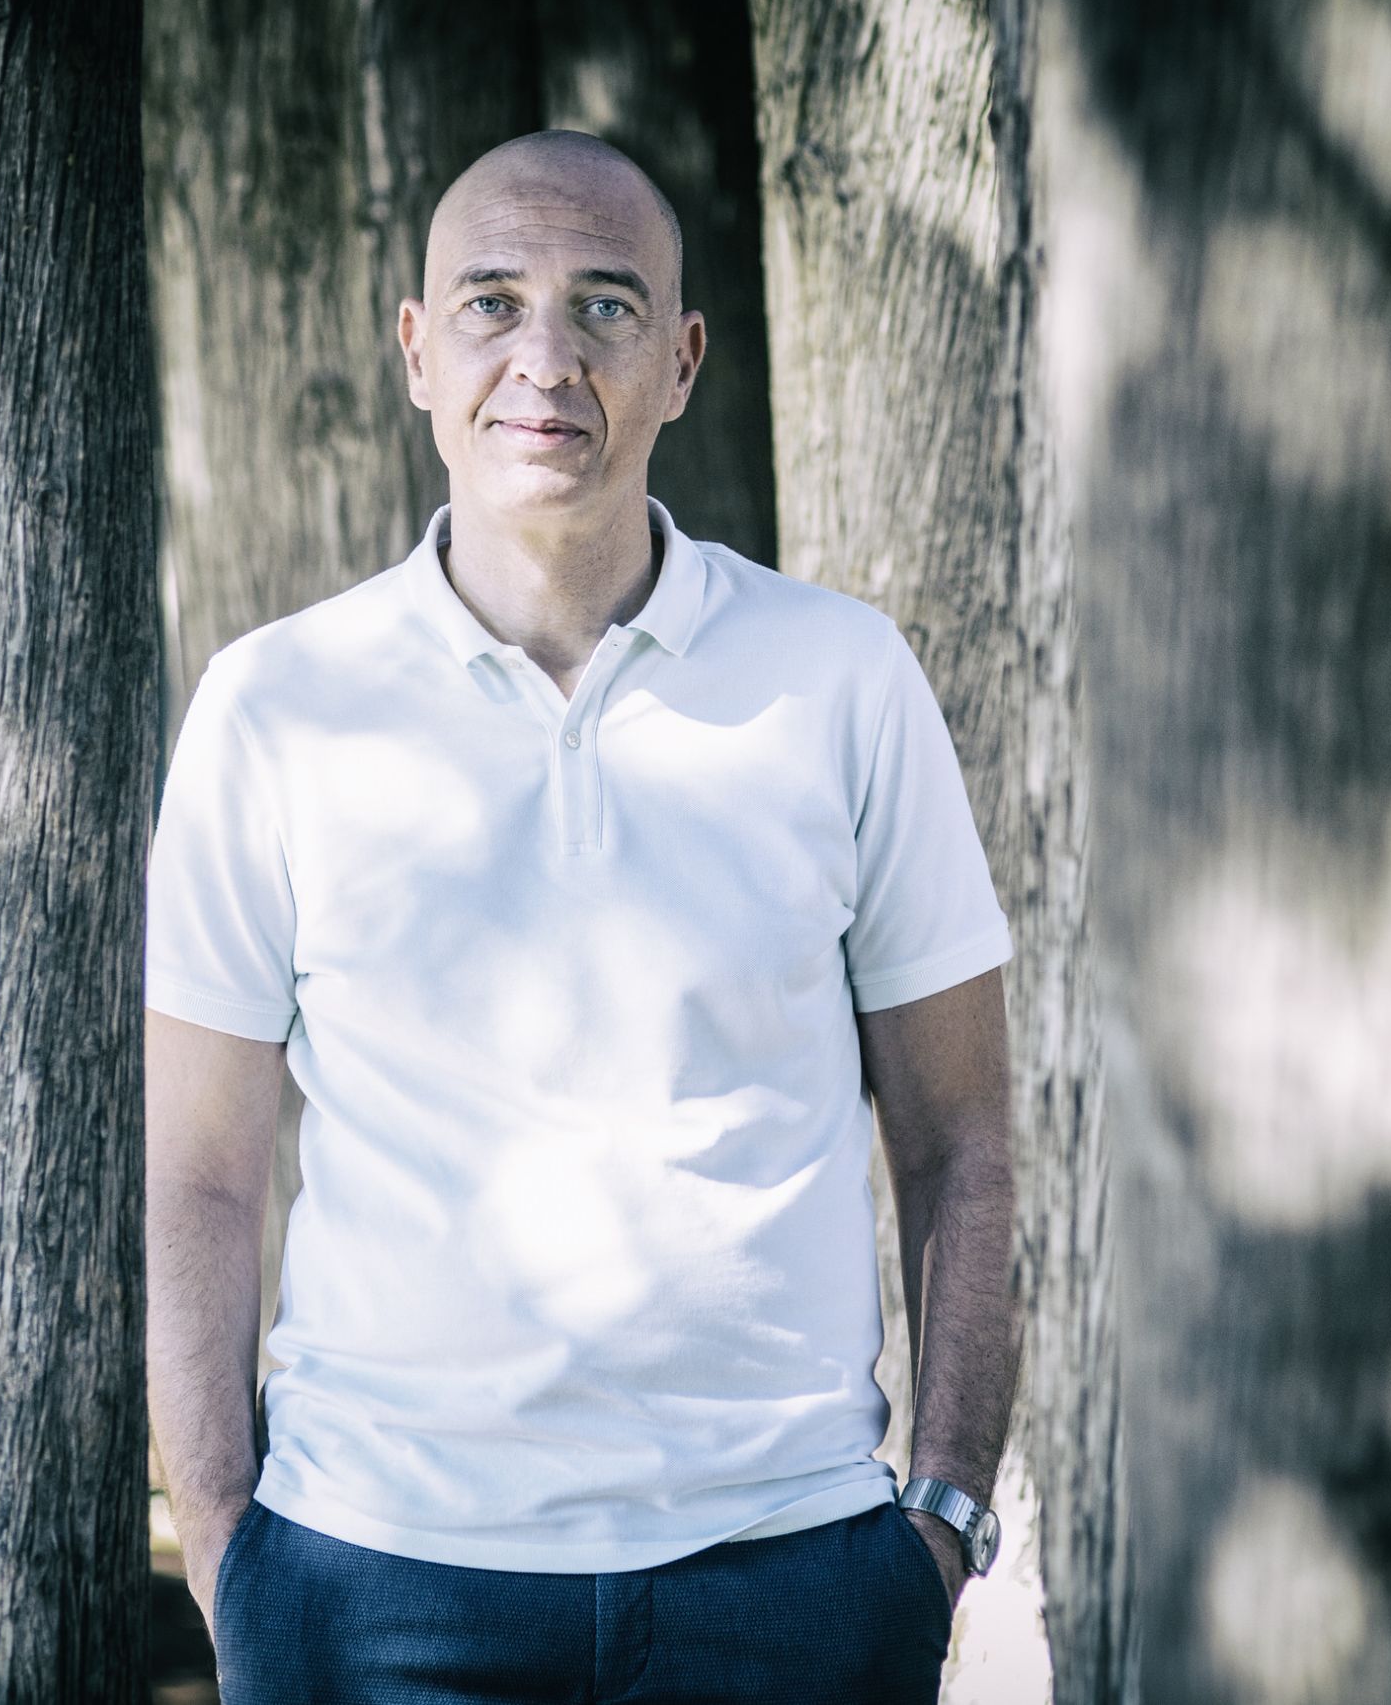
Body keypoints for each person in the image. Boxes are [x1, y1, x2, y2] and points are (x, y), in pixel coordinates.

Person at [145, 128, 1017, 1704]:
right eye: (492, 302)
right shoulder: (272, 706)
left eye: (606, 305)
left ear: (683, 361)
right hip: (373, 1589)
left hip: (792, 1585)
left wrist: (940, 1525)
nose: (545, 360)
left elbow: (961, 1136)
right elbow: (201, 1174)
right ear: (418, 350)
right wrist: (227, 1551)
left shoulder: (842, 680)